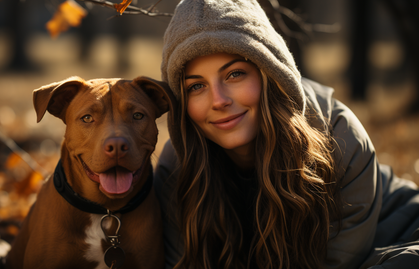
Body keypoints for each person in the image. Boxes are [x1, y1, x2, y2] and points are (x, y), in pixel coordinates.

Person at [154, 0, 419, 269]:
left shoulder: (341, 139)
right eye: (196, 86)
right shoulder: (177, 169)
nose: (218, 100)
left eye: (235, 74)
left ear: (270, 73)